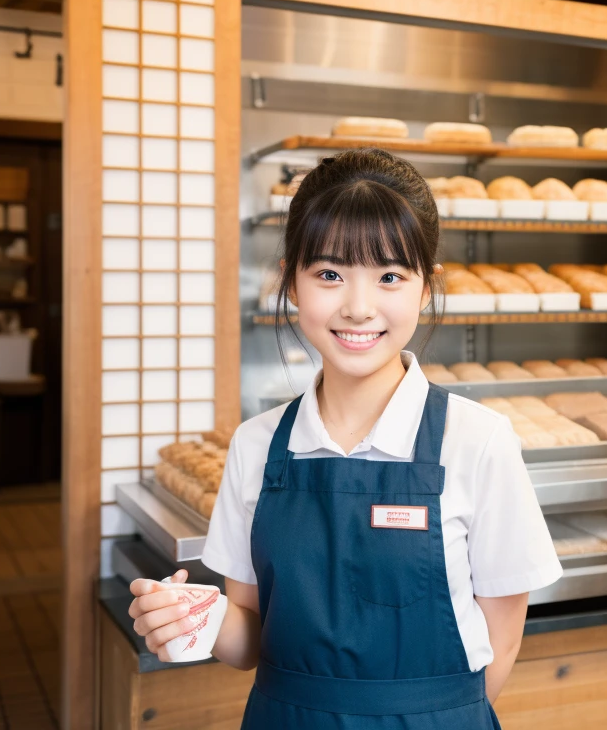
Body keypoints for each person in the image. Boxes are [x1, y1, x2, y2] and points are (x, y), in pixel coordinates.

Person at [129, 149, 562, 728]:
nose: (359, 309)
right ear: (290, 281)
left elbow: (502, 647)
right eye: (330, 275)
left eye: (389, 276)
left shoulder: (478, 442)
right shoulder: (256, 447)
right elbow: (250, 638)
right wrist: (194, 619)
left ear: (426, 287)